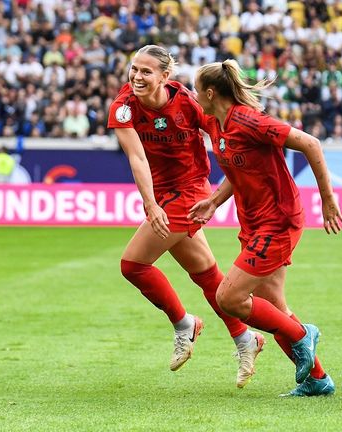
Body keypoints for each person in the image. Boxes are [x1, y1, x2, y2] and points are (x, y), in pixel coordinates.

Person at [107, 45, 265, 389]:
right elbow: (137, 158)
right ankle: (245, 340)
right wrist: (151, 203)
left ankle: (184, 323)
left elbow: (220, 135)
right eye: (134, 69)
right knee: (207, 276)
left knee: (133, 265)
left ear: (166, 76)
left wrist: (232, 180)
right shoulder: (122, 108)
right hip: (162, 195)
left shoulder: (188, 102)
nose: (137, 76)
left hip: (192, 190)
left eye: (147, 71)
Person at [188, 59, 342, 397]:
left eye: (196, 89)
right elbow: (237, 170)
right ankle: (318, 380)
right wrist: (214, 202)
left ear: (211, 93)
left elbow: (311, 144)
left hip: (278, 221)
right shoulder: (217, 124)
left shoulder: (250, 121)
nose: (193, 95)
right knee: (273, 307)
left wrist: (328, 200)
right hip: (254, 223)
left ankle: (304, 334)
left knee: (228, 297)